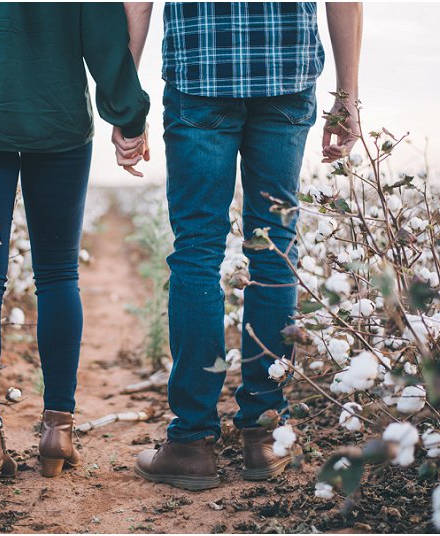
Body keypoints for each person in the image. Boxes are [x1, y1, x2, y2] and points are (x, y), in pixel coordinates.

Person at [117, 2, 362, 491]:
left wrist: (125, 101)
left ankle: (190, 444)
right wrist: (348, 95)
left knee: (196, 254)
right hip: (285, 70)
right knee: (273, 252)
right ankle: (264, 432)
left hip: (201, 73)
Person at [0, 2, 149, 491]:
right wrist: (129, 115)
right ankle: (57, 433)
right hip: (59, 123)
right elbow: (103, 32)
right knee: (59, 275)